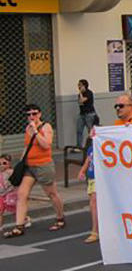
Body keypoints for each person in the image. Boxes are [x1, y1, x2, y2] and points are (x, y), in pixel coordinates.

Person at [4, 104, 65, 238]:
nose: (31, 117)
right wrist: (20, 164)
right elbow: (27, 147)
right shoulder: (27, 128)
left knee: (51, 194)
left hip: (43, 166)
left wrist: (36, 132)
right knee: (22, 194)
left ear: (40, 114)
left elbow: (46, 144)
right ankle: (19, 226)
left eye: (34, 113)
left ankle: (60, 217)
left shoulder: (46, 127)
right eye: (29, 114)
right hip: (29, 166)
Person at [77, 124, 99, 244]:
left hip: (98, 179)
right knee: (93, 204)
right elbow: (88, 161)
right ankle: (97, 228)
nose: (92, 133)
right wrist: (82, 171)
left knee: (94, 203)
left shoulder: (104, 147)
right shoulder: (91, 148)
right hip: (91, 178)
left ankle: (95, 231)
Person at [0, 154, 22, 233]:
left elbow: (16, 182)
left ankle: (25, 218)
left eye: (4, 163)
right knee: (0, 211)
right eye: (0, 163)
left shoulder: (11, 172)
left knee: (14, 211)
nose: (2, 165)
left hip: (9, 194)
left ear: (9, 164)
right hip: (1, 195)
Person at [75, 79, 97, 148]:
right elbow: (80, 103)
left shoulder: (89, 93)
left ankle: (93, 145)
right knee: (79, 130)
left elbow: (82, 100)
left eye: (80, 85)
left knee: (90, 131)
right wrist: (80, 94)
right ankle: (79, 146)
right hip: (82, 114)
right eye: (78, 85)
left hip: (89, 114)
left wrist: (81, 93)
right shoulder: (79, 95)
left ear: (85, 86)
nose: (79, 87)